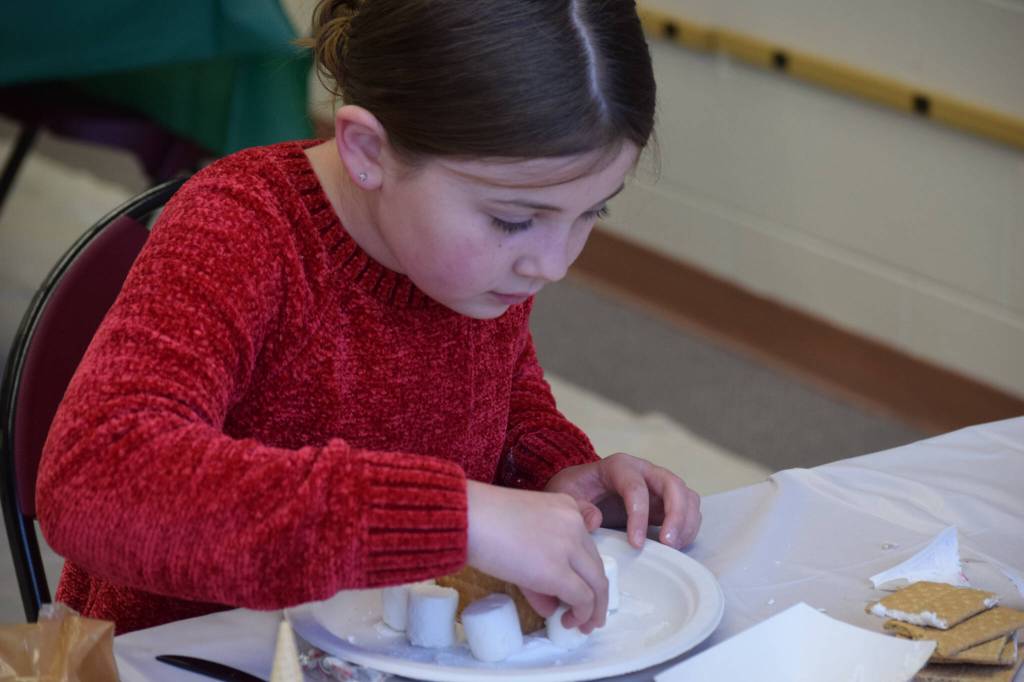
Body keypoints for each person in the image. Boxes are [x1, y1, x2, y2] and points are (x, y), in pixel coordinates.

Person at [37, 0, 702, 635]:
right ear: (367, 151)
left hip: (384, 640)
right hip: (198, 650)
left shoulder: (477, 262)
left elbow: (498, 395)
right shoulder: (241, 231)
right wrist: (455, 517)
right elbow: (94, 482)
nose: (553, 264)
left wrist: (556, 476)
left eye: (593, 211)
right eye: (514, 218)